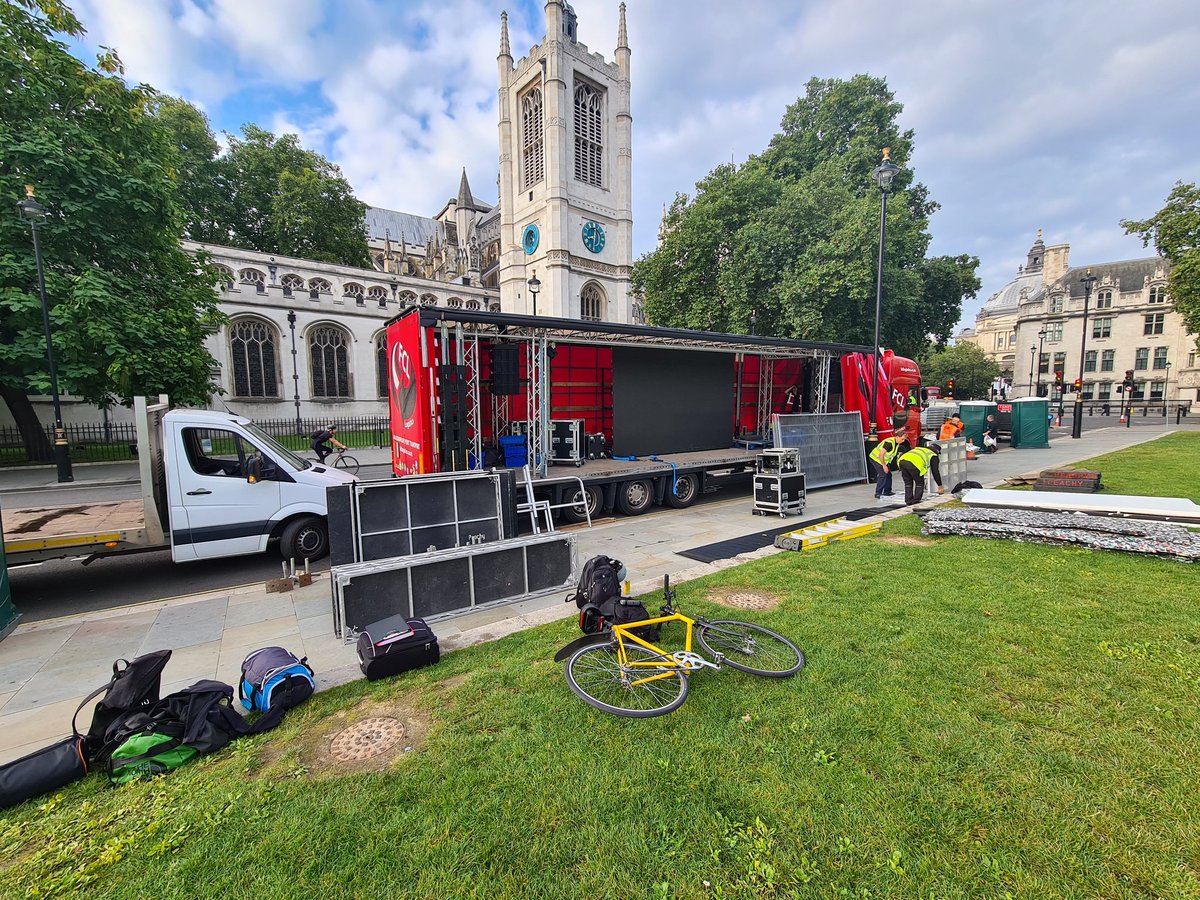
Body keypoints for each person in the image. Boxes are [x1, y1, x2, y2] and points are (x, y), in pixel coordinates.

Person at [897, 441, 946, 505]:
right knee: (919, 483)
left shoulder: (920, 449)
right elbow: (935, 472)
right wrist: (940, 485)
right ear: (937, 451)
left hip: (902, 461)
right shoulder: (933, 455)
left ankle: (908, 501)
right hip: (914, 464)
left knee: (908, 483)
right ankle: (916, 501)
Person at [868, 433, 909, 502]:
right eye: (902, 439)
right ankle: (878, 493)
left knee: (889, 474)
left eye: (904, 439)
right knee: (883, 475)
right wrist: (884, 466)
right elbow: (881, 455)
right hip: (875, 458)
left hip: (883, 460)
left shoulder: (896, 443)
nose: (903, 441)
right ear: (897, 437)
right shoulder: (889, 444)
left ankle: (887, 491)